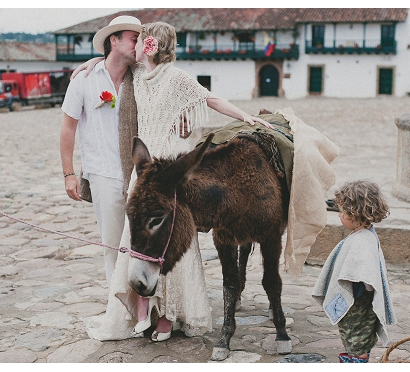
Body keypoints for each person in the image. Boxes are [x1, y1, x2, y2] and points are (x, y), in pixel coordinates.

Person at [79, 21, 274, 343]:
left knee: (171, 237)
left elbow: (211, 100)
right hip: (142, 167)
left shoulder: (178, 79)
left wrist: (245, 117)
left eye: (140, 41)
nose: (135, 46)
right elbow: (112, 61)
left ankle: (169, 315)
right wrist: (92, 62)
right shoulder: (137, 74)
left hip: (171, 168)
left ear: (151, 45)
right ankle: (142, 311)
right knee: (139, 237)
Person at [59, 15, 142, 286]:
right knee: (113, 246)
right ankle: (118, 306)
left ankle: (146, 305)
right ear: (114, 40)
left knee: (143, 246)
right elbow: (68, 128)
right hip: (102, 173)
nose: (138, 44)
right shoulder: (84, 80)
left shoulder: (142, 78)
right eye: (133, 38)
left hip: (139, 175)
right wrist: (69, 173)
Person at [312, 181, 396, 363]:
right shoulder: (365, 235)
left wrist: (357, 288)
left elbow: (367, 278)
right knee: (353, 338)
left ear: (355, 214)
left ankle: (357, 361)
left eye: (342, 212)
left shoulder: (362, 242)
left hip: (358, 305)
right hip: (358, 305)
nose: (340, 215)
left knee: (357, 339)